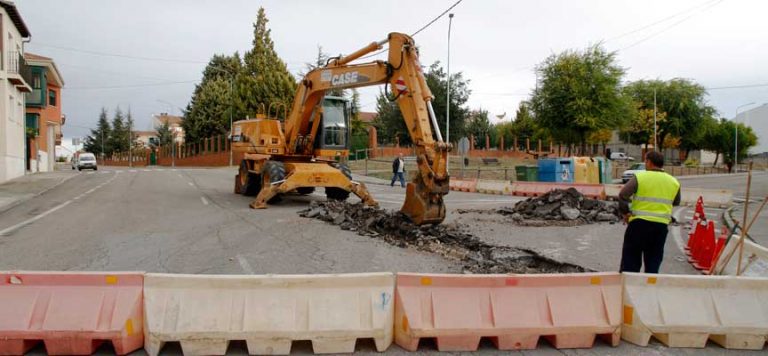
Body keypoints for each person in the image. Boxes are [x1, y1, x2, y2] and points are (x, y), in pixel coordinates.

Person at [618, 151, 681, 273]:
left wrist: (626, 213)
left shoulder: (640, 177)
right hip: (660, 226)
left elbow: (623, 195)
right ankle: (649, 288)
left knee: (631, 261)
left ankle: (629, 287)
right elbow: (676, 201)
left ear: (649, 162)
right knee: (653, 260)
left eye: (646, 160)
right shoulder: (674, 182)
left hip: (638, 225)